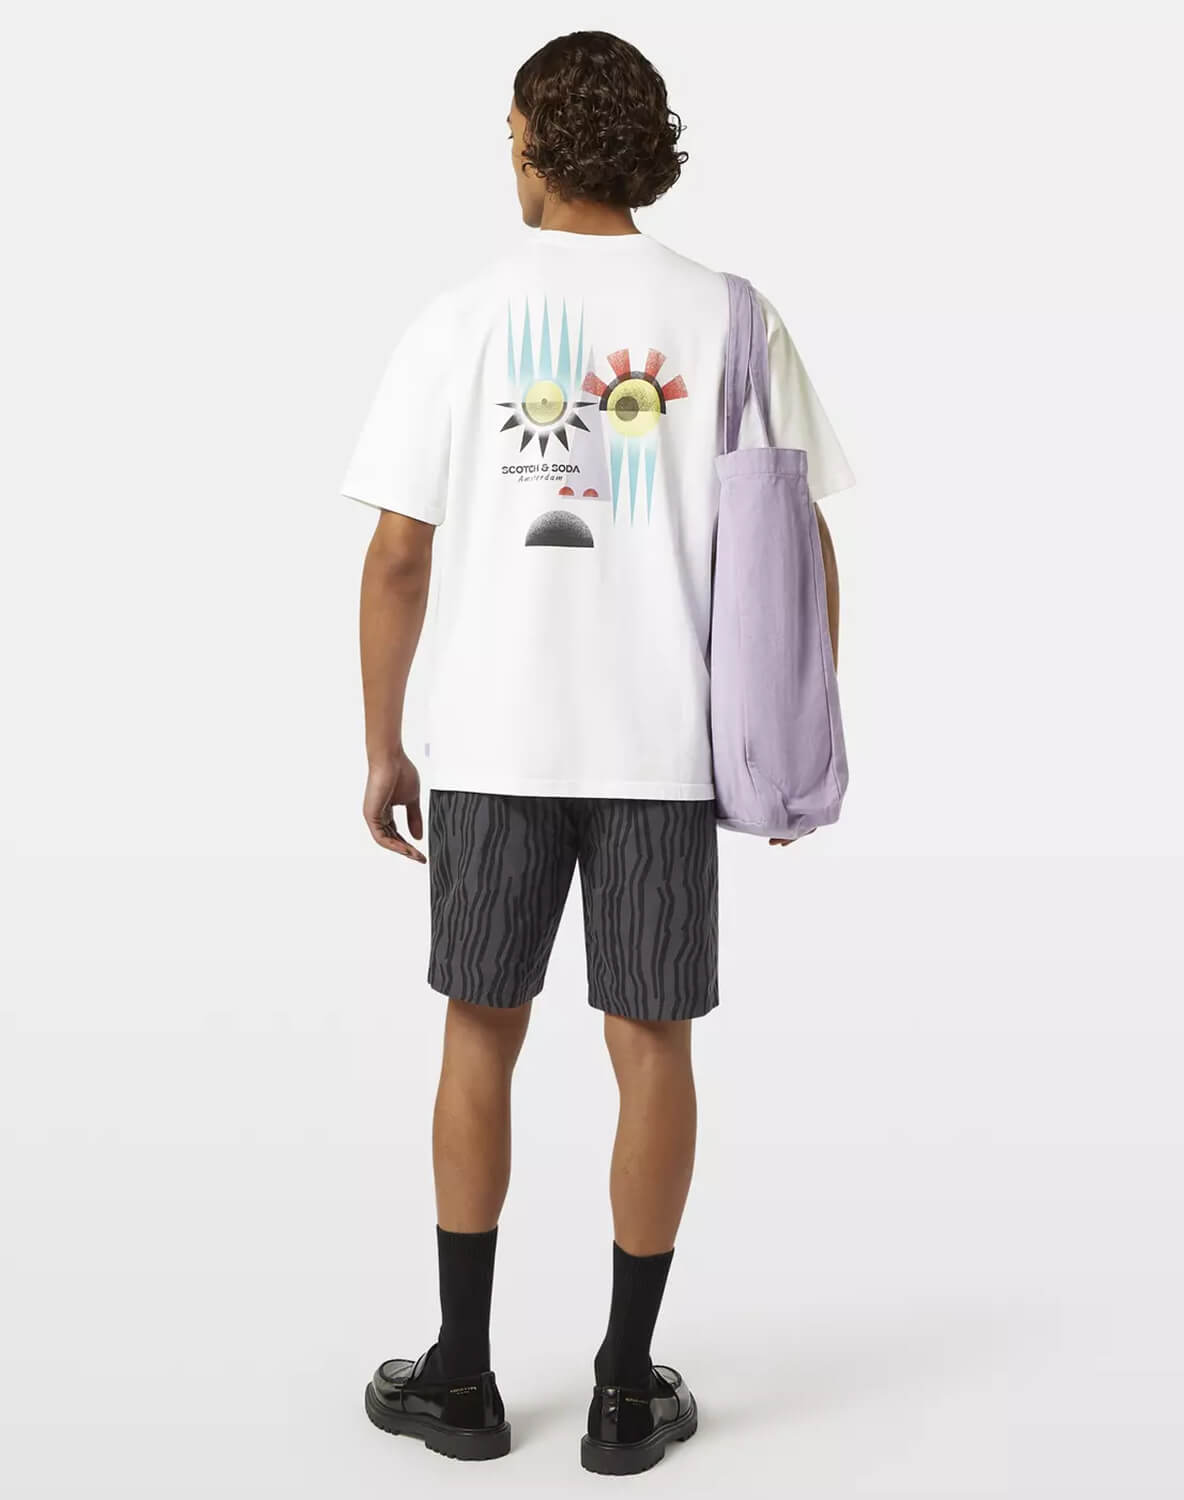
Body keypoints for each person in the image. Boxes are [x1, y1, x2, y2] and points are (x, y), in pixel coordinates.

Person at [343, 30, 853, 1476]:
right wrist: (793, 728)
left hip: (494, 744)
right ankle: (628, 1391)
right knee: (653, 1049)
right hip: (661, 750)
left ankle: (460, 1378)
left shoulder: (462, 319)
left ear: (528, 138)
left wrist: (382, 745)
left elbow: (397, 558)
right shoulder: (735, 318)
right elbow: (801, 543)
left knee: (479, 1033)